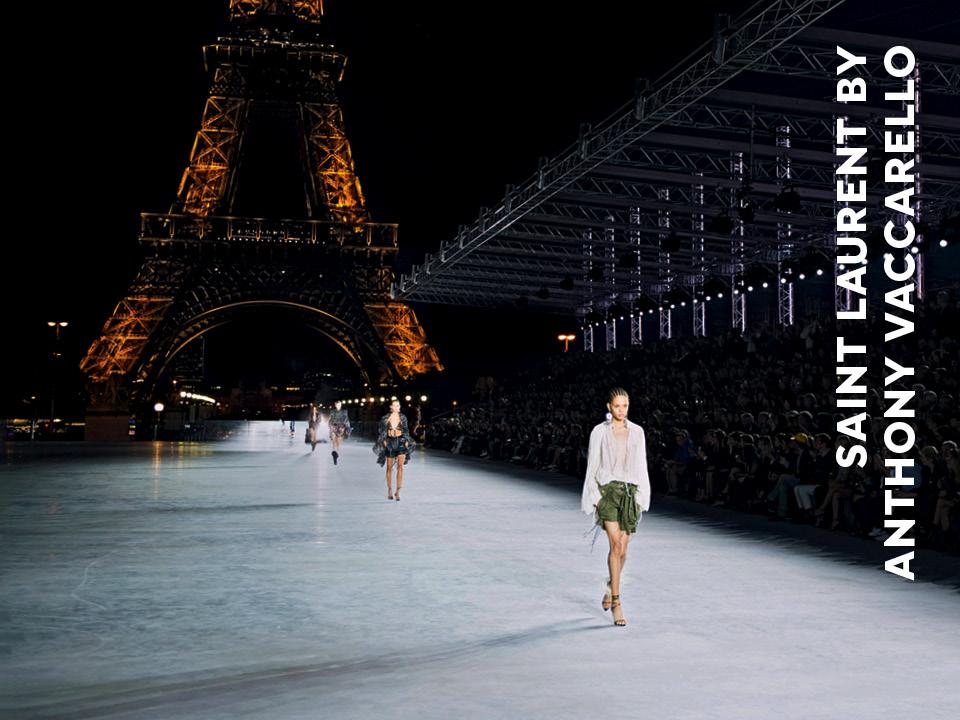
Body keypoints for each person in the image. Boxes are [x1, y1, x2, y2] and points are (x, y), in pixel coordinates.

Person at [580, 387, 651, 627]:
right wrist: (595, 497)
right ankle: (617, 603)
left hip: (630, 494)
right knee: (615, 545)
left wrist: (642, 497)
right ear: (609, 407)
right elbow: (593, 464)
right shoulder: (599, 432)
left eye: (625, 406)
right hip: (608, 493)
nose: (621, 410)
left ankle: (611, 588)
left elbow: (641, 466)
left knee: (623, 549)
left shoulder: (638, 432)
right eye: (617, 406)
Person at [374, 399, 414, 501]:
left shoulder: (403, 417)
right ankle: (390, 490)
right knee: (389, 468)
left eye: (397, 406)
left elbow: (406, 430)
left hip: (401, 442)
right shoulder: (385, 418)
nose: (396, 407)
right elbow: (381, 430)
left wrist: (406, 440)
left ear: (399, 407)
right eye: (394, 405)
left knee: (400, 468)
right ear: (391, 407)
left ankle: (398, 491)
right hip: (390, 443)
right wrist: (384, 441)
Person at [328, 400, 352, 465]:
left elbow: (347, 421)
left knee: (338, 442)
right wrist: (331, 427)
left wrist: (348, 428)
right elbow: (330, 421)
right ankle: (334, 452)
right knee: (333, 439)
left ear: (341, 405)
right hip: (334, 428)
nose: (338, 406)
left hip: (341, 429)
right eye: (337, 404)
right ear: (335, 405)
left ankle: (336, 453)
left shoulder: (344, 412)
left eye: (339, 404)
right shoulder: (332, 412)